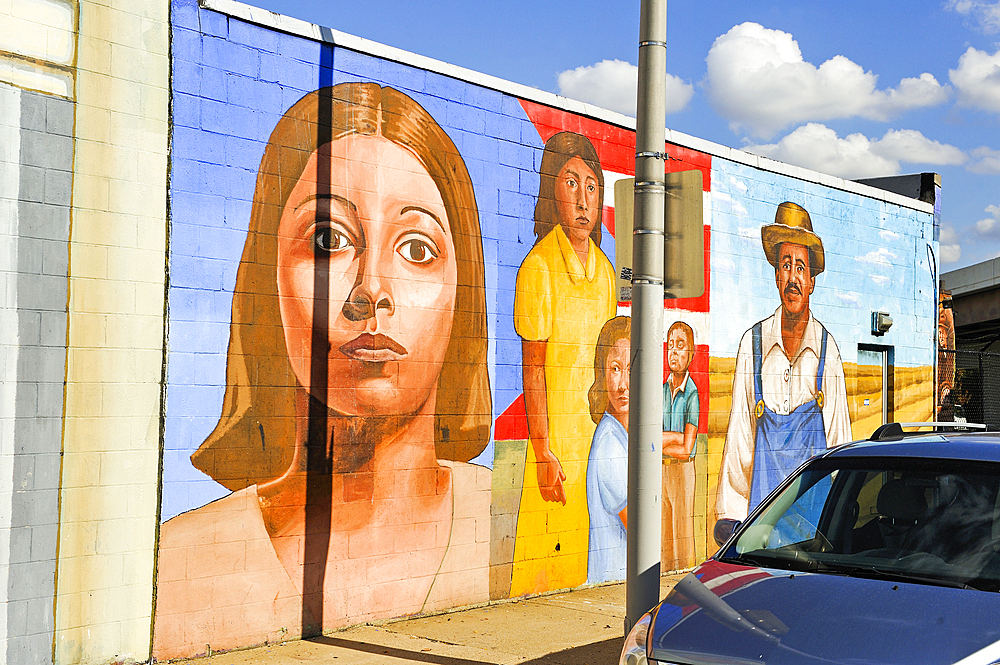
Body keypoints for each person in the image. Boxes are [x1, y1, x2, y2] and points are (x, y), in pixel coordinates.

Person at [153, 83, 493, 659]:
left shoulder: (522, 520)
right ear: (268, 280)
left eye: (416, 249)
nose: (372, 291)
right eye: (328, 239)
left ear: (465, 297)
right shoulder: (176, 568)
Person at [510, 132, 616, 595]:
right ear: (551, 189)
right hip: (557, 451)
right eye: (571, 183)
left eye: (591, 186)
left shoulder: (608, 273)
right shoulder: (539, 267)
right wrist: (542, 450)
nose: (582, 199)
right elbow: (532, 367)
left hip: (602, 442)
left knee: (600, 564)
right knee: (547, 574)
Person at [717, 202, 851, 521]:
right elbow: (739, 441)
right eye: (786, 265)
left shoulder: (826, 350)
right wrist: (730, 519)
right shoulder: (752, 346)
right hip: (760, 529)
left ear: (812, 282)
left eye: (801, 268)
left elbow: (840, 445)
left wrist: (837, 523)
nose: (793, 278)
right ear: (777, 275)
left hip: (815, 526)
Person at [585, 316, 630, 584]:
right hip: (613, 584)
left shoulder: (622, 434)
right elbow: (638, 530)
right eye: (615, 369)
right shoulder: (610, 444)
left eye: (630, 369)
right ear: (602, 372)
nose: (623, 384)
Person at [661, 321, 699, 570]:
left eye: (680, 346)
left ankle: (684, 580)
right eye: (671, 346)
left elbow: (687, 449)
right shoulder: (662, 389)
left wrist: (663, 440)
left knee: (682, 532)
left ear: (691, 353)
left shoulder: (692, 394)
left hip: (682, 472)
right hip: (662, 471)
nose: (674, 352)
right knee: (663, 533)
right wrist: (675, 437)